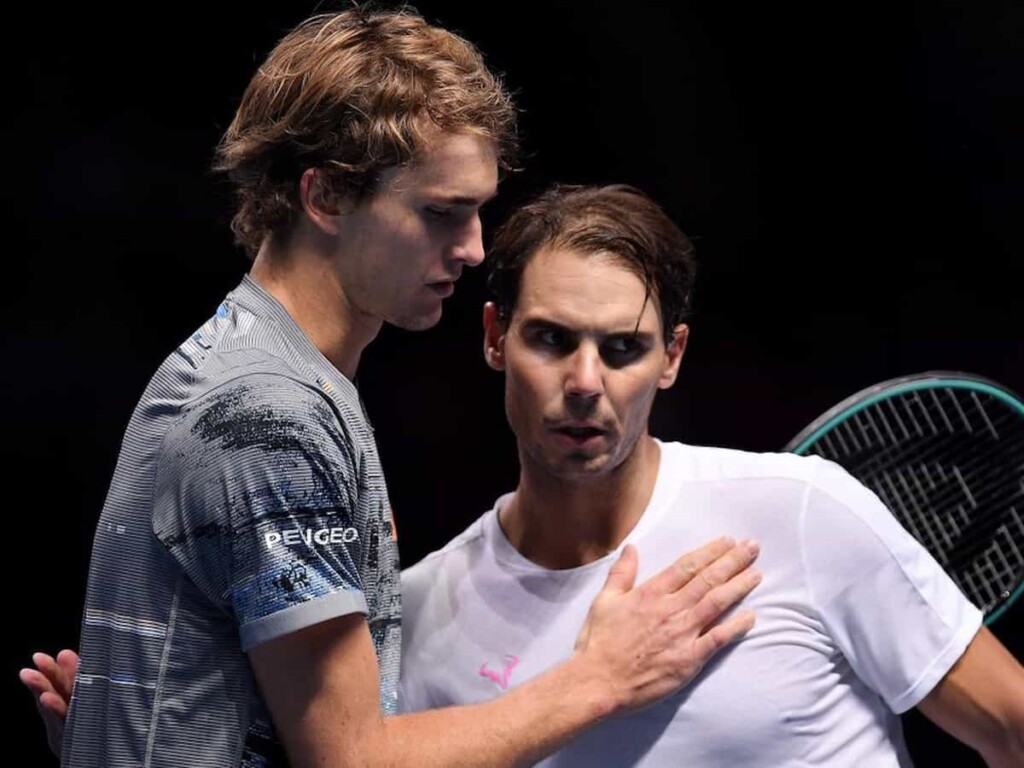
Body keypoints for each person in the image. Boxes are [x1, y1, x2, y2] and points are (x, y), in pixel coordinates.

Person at [19, 8, 763, 768]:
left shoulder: (238, 370)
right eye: (442, 213)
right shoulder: (267, 416)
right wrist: (600, 680)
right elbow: (351, 759)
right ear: (327, 197)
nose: (473, 248)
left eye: (476, 212)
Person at [395, 183, 1024, 766]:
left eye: (623, 348)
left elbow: (1011, 725)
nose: (585, 383)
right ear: (495, 337)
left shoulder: (803, 509)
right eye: (552, 340)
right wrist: (597, 682)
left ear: (672, 356)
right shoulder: (421, 613)